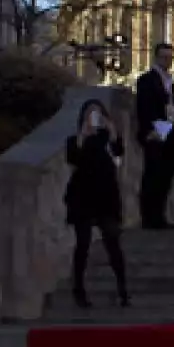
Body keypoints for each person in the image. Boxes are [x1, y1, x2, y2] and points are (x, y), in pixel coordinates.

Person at [65, 99, 129, 309]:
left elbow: (119, 153)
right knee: (82, 243)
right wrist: (83, 134)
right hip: (83, 196)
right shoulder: (76, 139)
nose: (94, 118)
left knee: (113, 241)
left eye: (98, 114)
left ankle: (123, 288)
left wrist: (112, 132)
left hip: (106, 196)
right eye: (90, 114)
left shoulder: (107, 139)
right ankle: (78, 289)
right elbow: (73, 158)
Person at [134, 43, 174, 228]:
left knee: (166, 176)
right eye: (164, 57)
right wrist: (150, 130)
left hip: (170, 131)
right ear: (156, 58)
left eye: (170, 57)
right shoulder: (147, 80)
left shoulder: (171, 82)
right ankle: (149, 216)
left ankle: (159, 215)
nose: (167, 61)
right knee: (153, 175)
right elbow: (144, 107)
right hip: (155, 132)